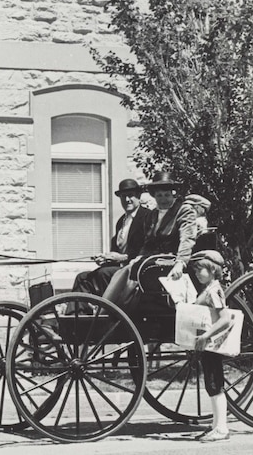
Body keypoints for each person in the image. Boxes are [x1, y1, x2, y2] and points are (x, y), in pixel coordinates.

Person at [102, 170, 197, 308]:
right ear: (154, 196)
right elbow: (148, 242)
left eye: (166, 195)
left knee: (131, 270)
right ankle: (110, 308)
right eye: (159, 195)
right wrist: (139, 256)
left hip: (170, 260)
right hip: (153, 259)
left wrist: (180, 263)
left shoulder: (183, 210)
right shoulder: (153, 215)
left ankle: (115, 308)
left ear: (173, 194)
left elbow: (187, 239)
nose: (163, 199)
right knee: (128, 268)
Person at [72, 178, 152, 295]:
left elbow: (146, 250)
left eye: (130, 196)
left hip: (135, 270)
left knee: (104, 273)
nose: (127, 200)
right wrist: (105, 258)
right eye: (123, 197)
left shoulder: (147, 217)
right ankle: (77, 312)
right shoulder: (121, 221)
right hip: (119, 269)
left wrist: (122, 258)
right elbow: (115, 252)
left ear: (138, 196)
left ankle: (109, 310)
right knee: (82, 278)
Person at [191, 249, 231, 443]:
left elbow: (225, 320)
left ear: (213, 270)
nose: (198, 273)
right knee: (212, 384)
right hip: (208, 345)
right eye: (197, 270)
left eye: (202, 270)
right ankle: (216, 425)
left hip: (212, 344)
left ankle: (222, 428)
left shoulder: (214, 291)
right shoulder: (208, 290)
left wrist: (206, 335)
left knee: (215, 385)